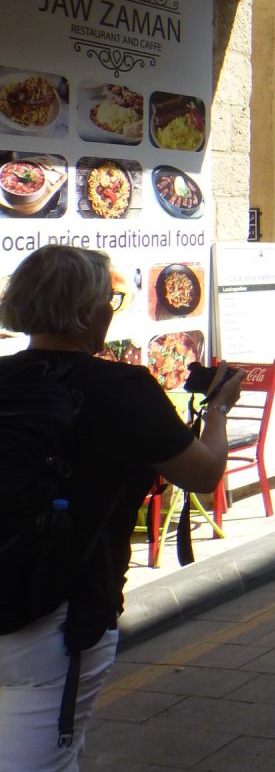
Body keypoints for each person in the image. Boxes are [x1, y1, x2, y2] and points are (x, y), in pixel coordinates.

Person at [0, 247, 245, 769]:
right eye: (109, 300)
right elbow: (203, 473)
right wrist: (219, 409)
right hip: (60, 617)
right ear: (88, 315)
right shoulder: (122, 387)